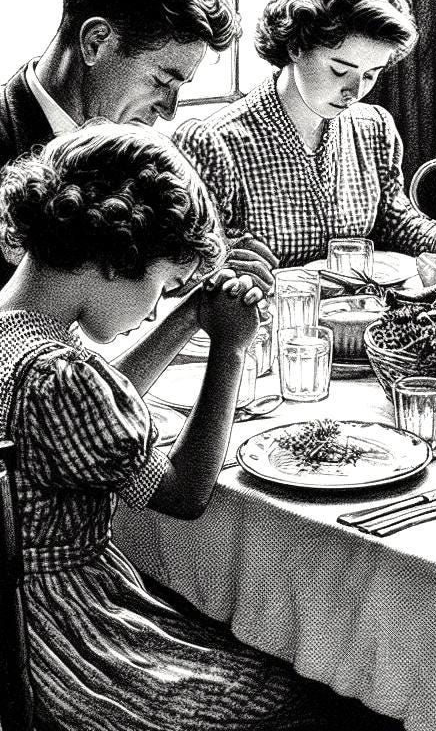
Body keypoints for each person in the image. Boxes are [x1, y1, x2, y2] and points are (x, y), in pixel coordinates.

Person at [0, 124, 346, 729]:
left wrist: (188, 319)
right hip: (75, 647)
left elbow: (95, 407)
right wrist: (228, 351)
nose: (151, 310)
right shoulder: (66, 379)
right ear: (115, 259)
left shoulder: (21, 340)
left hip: (25, 619)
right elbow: (184, 494)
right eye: (160, 288)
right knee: (324, 701)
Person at [0, 0, 277, 289]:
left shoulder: (132, 157)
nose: (169, 111)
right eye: (162, 80)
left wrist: (194, 275)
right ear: (95, 42)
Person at [173, 0, 436, 268]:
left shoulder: (374, 129)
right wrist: (225, 261)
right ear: (297, 45)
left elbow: (391, 221)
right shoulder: (215, 144)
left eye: (370, 74)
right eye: (340, 70)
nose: (354, 93)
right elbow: (188, 270)